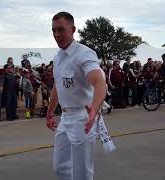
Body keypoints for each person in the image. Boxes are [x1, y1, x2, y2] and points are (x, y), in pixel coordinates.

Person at [46, 12, 107, 180]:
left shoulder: (84, 54)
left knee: (82, 172)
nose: (57, 35)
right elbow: (57, 87)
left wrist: (94, 110)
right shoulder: (58, 58)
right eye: (54, 31)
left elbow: (100, 82)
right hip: (65, 117)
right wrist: (50, 112)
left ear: (72, 29)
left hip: (83, 116)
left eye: (61, 30)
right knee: (60, 167)